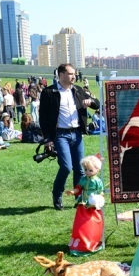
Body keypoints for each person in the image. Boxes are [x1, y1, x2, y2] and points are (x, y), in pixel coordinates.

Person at [39, 63, 100, 210]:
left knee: (80, 168)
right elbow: (43, 118)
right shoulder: (49, 92)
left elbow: (96, 104)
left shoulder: (78, 90)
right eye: (71, 73)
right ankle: (57, 194)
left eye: (74, 74)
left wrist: (90, 101)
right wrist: (47, 139)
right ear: (61, 75)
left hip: (77, 133)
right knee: (66, 167)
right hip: (60, 134)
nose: (74, 76)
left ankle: (79, 197)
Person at [65, 155, 105, 255]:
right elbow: (79, 188)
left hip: (92, 204)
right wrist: (73, 191)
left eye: (90, 170)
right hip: (83, 203)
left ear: (97, 170)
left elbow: (101, 192)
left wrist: (97, 200)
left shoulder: (97, 181)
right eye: (86, 169)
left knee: (91, 223)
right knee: (80, 223)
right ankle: (79, 244)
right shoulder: (84, 179)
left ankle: (90, 242)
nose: (87, 172)